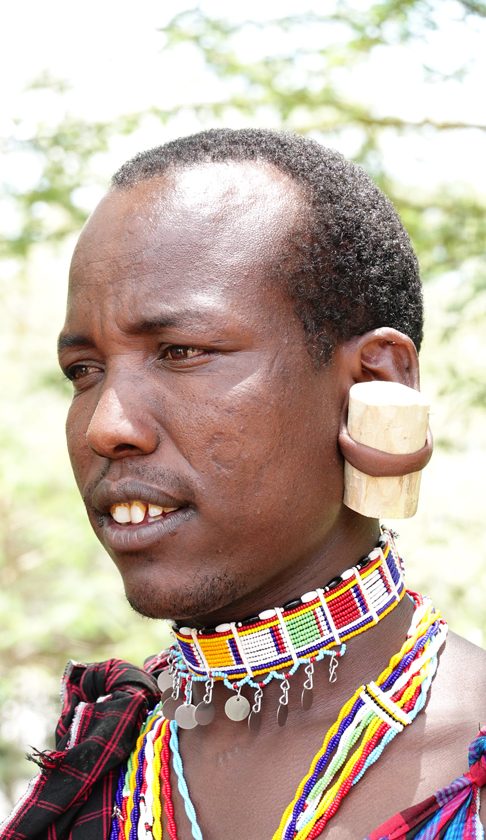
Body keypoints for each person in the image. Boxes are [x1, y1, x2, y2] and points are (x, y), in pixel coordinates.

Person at [3, 128, 486, 840]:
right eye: (85, 371)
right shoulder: (95, 770)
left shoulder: (468, 758)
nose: (106, 427)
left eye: (181, 351)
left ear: (375, 380)